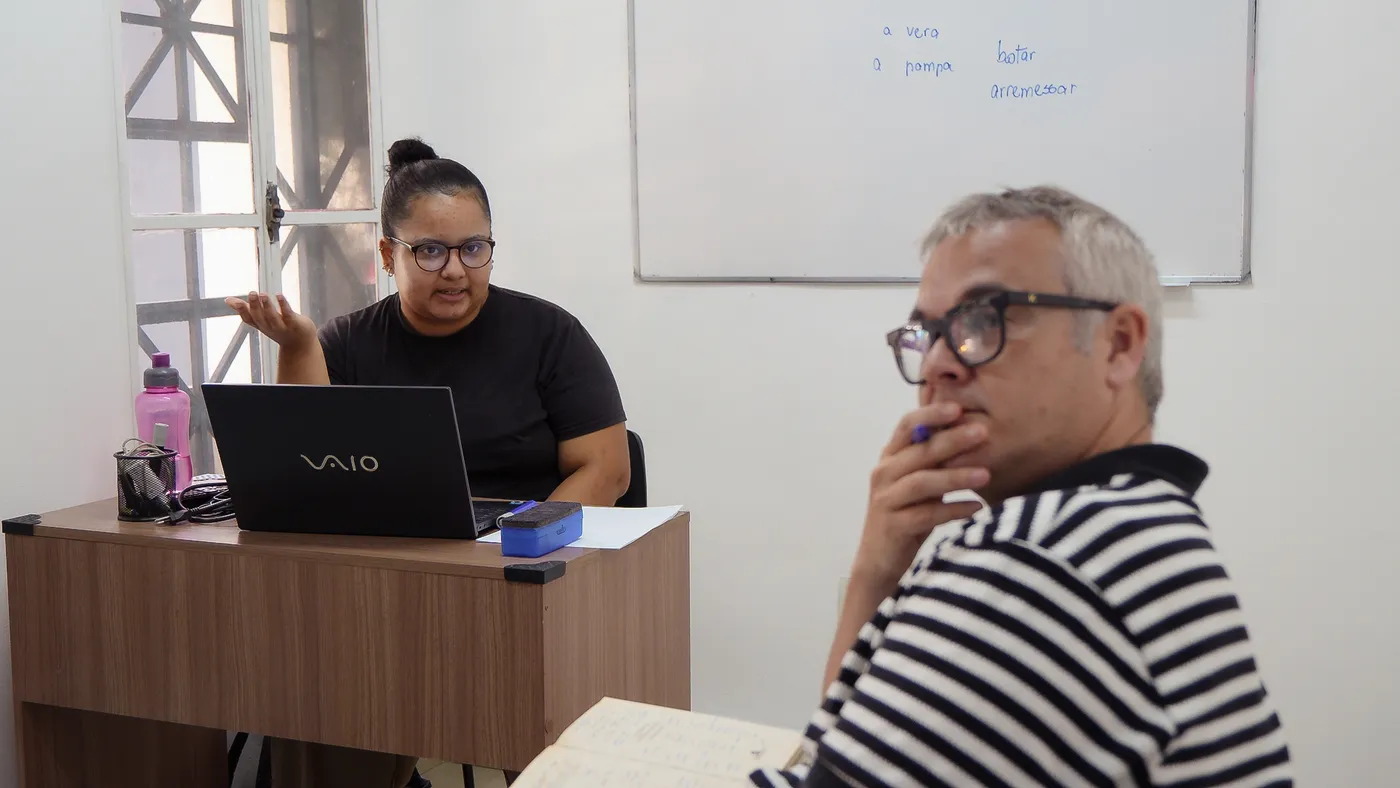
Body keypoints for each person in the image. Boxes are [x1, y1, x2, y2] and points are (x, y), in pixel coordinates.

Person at [752, 187, 1292, 787]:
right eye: (925, 334)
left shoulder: (1041, 562)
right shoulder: (1124, 523)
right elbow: (843, 753)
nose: (936, 365)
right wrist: (875, 572)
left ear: (1118, 345)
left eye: (984, 320)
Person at [226, 138, 630, 787]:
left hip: (519, 586)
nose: (455, 271)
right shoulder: (349, 342)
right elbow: (301, 469)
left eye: (475, 248)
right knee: (310, 689)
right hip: (383, 597)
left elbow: (607, 470)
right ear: (388, 255)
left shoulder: (550, 336)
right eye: (431, 251)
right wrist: (299, 344)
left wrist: (519, 548)